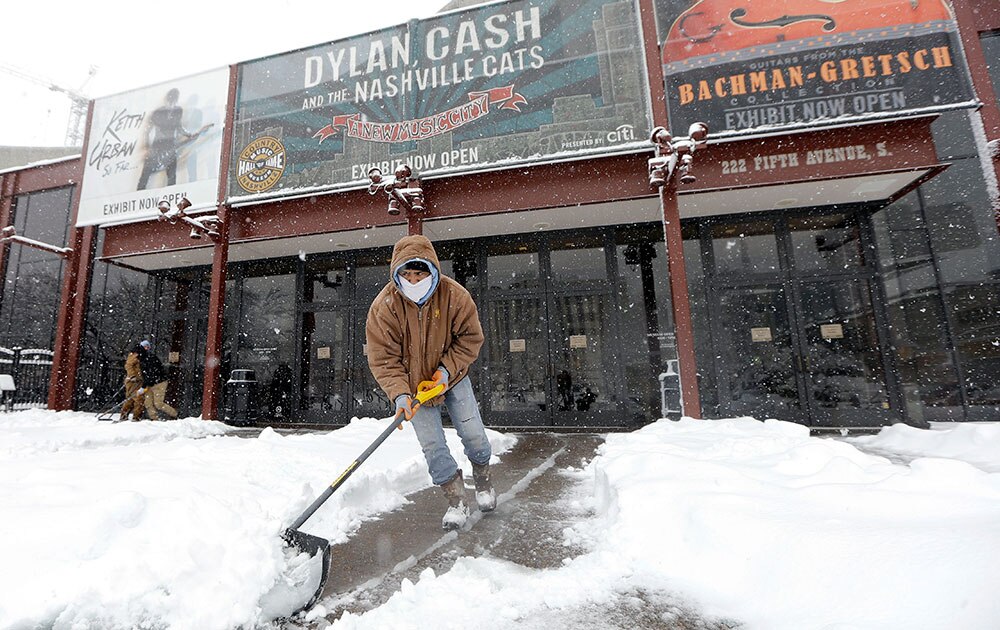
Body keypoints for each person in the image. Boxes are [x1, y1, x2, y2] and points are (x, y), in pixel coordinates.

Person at [366, 235, 495, 530]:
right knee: (433, 446)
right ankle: (457, 500)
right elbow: (384, 358)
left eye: (420, 273)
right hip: (413, 388)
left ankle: (484, 480)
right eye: (406, 274)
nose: (413, 280)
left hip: (453, 378)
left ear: (432, 270)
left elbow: (471, 339)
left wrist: (446, 371)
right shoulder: (385, 306)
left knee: (473, 433)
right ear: (396, 273)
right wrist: (399, 395)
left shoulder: (455, 296)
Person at [135, 88, 212, 190]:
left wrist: (190, 134)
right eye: (171, 99)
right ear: (167, 99)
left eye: (174, 100)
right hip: (157, 146)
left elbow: (179, 127)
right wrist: (147, 146)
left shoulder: (178, 111)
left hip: (170, 145)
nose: (172, 102)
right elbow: (148, 130)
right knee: (146, 174)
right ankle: (140, 194)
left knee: (171, 175)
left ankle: (169, 197)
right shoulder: (158, 112)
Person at [137, 339, 178, 421]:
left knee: (158, 404)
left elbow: (150, 374)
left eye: (146, 347)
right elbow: (146, 375)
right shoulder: (142, 359)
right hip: (150, 384)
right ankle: (154, 419)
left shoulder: (151, 358)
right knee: (148, 403)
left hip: (159, 383)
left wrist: (143, 387)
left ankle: (175, 414)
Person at [120, 343, 145, 421]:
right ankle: (136, 417)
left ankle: (124, 415)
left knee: (130, 399)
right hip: (133, 381)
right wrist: (133, 376)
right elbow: (128, 365)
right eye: (145, 347)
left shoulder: (137, 355)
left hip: (135, 380)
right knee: (138, 398)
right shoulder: (135, 355)